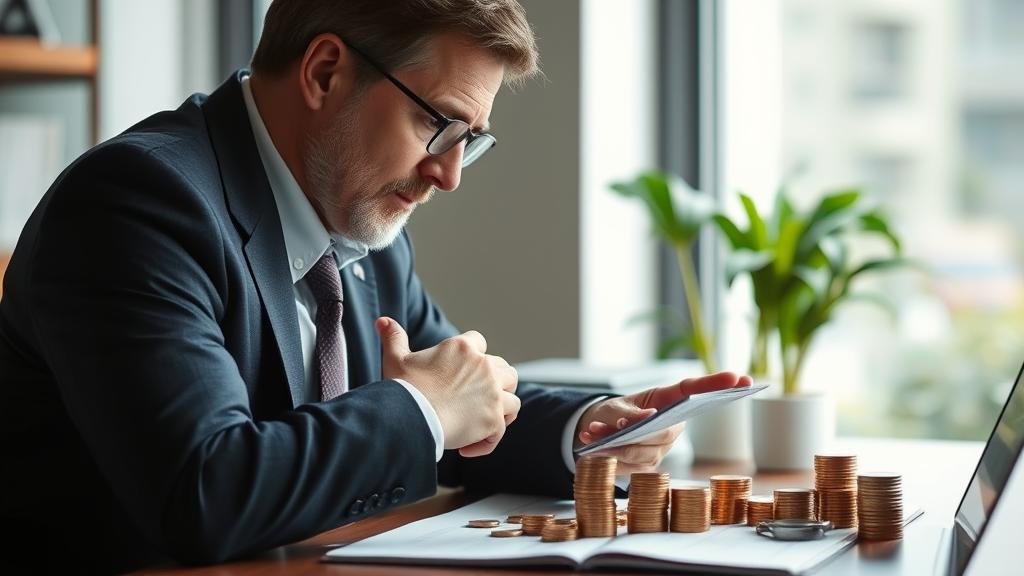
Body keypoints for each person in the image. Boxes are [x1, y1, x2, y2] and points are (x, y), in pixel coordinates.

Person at [0, 0, 750, 572]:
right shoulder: (137, 205)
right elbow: (206, 492)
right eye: (438, 126)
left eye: (471, 142)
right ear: (325, 72)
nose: (448, 174)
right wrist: (427, 408)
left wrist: (587, 433)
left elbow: (453, 409)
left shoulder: (358, 221)